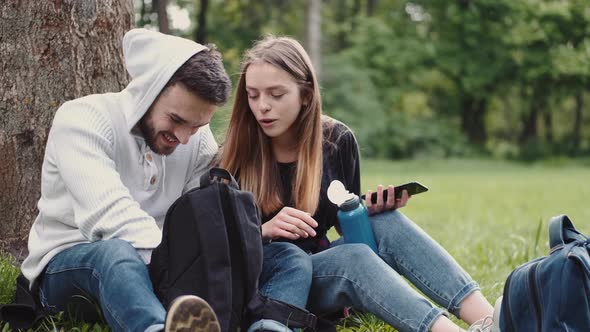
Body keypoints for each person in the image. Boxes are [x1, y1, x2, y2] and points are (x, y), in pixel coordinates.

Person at [219, 35, 501, 332]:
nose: (262, 106)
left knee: (387, 222)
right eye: (253, 95)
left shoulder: (335, 141)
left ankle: (492, 320)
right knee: (351, 259)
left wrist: (367, 212)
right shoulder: (233, 156)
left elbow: (343, 225)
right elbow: (215, 250)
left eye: (276, 95)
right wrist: (262, 231)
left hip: (320, 268)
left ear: (306, 94)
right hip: (270, 282)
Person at [20, 28, 232, 332]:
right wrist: (177, 264)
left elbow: (198, 217)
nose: (184, 138)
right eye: (176, 120)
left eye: (197, 126)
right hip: (72, 264)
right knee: (117, 252)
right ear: (149, 90)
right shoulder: (83, 119)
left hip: (157, 269)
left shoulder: (196, 142)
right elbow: (107, 216)